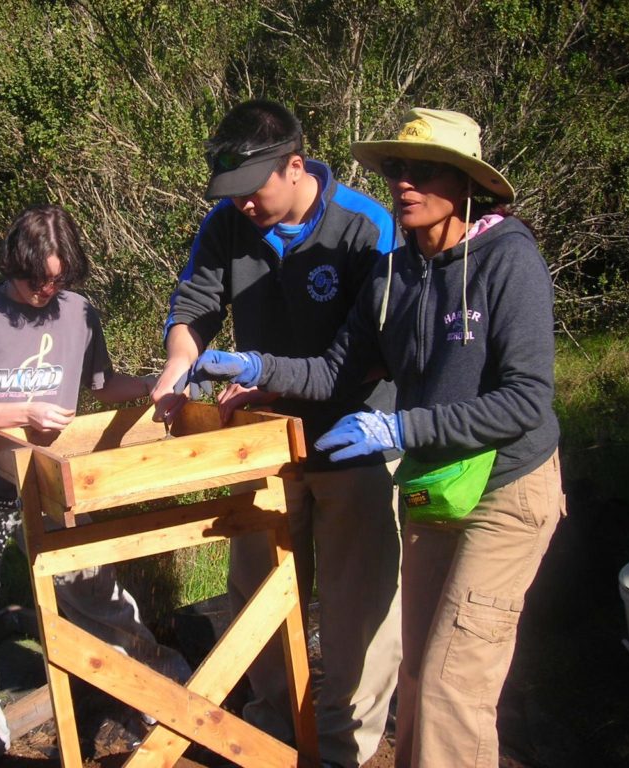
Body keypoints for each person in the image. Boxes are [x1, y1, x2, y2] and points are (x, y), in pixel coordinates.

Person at [188, 108, 566, 768]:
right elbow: (334, 369)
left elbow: (527, 401)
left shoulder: (509, 261)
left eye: (424, 171)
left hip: (504, 488)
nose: (404, 183)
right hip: (435, 485)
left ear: (466, 184)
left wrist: (398, 426)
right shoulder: (395, 274)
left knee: (451, 688)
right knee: (418, 678)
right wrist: (256, 367)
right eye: (396, 168)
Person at [150, 99, 402, 768]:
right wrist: (178, 368)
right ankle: (270, 734)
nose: (242, 205)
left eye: (251, 189)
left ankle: (344, 749)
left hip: (355, 443)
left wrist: (271, 380)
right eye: (230, 193)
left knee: (357, 611)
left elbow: (377, 352)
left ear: (295, 166)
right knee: (259, 594)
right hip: (263, 446)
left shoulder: (366, 228)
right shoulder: (228, 224)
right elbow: (193, 307)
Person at [0, 204, 191, 768]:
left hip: (49, 485)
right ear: (13, 264)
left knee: (95, 593)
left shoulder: (78, 312)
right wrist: (23, 411)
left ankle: (162, 691)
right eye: (37, 280)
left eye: (59, 279)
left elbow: (101, 384)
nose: (47, 290)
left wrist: (155, 385)